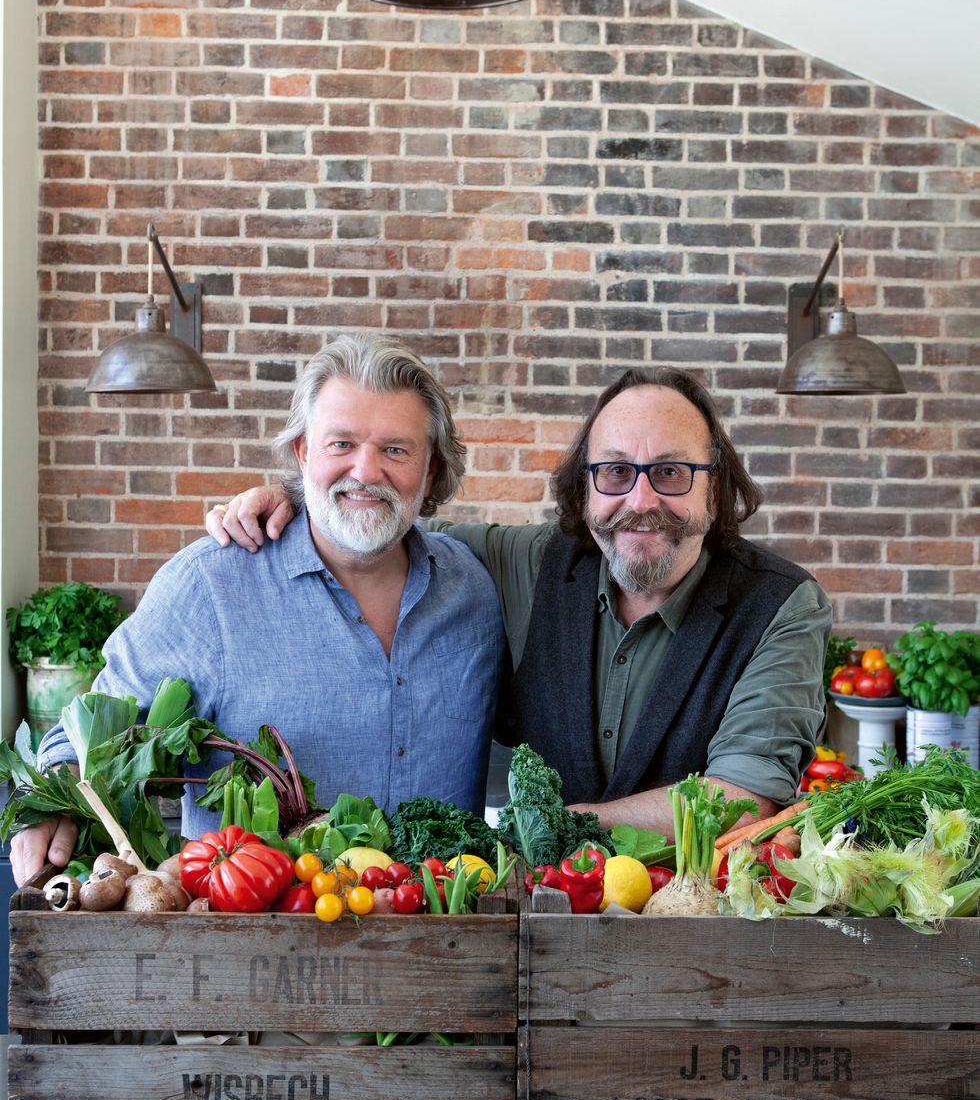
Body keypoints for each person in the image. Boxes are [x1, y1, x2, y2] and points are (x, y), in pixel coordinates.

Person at [205, 365, 832, 839]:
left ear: (715, 490)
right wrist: (297, 499)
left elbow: (742, 799)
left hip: (699, 934)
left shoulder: (781, 606)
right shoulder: (530, 565)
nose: (640, 500)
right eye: (615, 472)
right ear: (585, 487)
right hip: (540, 931)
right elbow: (381, 524)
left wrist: (552, 828)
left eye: (671, 473)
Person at [10, 334, 504, 886]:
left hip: (448, 932)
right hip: (255, 935)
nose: (366, 471)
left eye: (395, 450)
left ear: (431, 470)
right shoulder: (210, 587)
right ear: (304, 453)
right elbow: (87, 732)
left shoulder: (475, 591)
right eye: (341, 443)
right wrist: (49, 797)